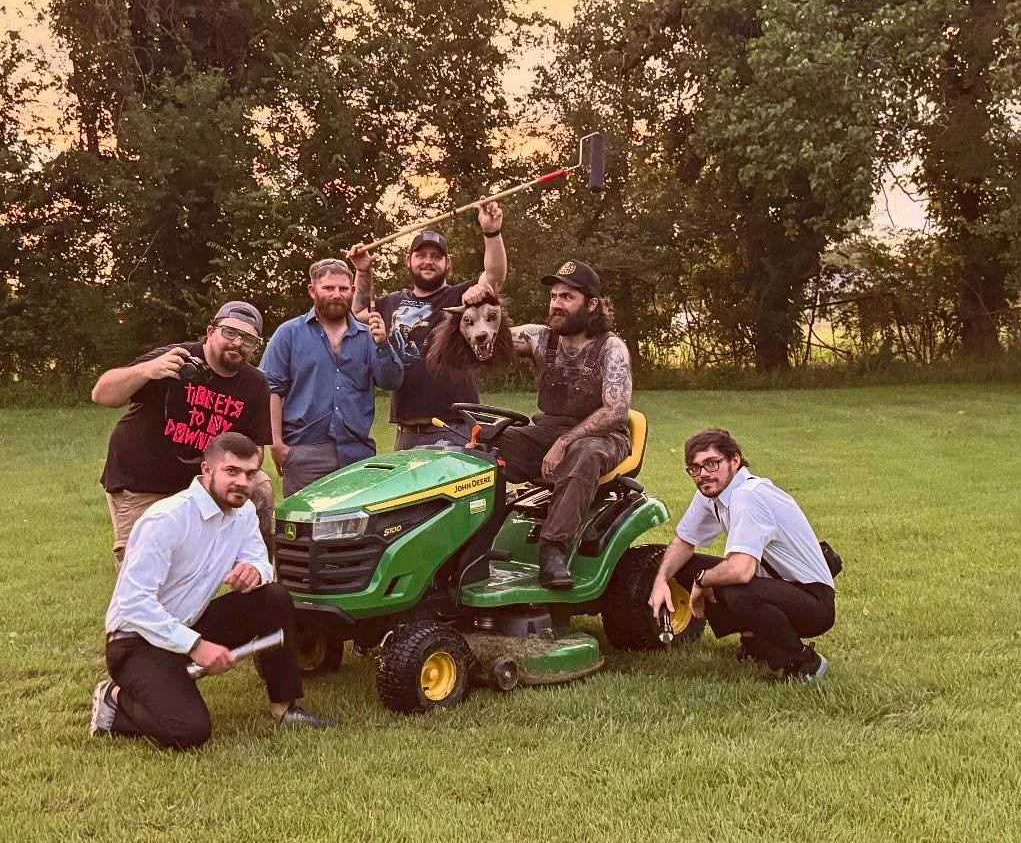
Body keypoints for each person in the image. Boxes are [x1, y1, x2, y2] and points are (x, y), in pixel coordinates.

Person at [89, 432, 334, 748]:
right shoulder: (166, 519)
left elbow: (260, 561)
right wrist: (196, 646)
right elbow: (134, 604)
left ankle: (284, 708)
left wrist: (254, 571)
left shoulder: (243, 512)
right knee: (189, 730)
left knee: (273, 597)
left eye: (250, 474)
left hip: (190, 624)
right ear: (207, 470)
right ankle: (114, 698)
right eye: (232, 471)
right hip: (136, 641)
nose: (242, 482)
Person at [92, 302, 275, 570]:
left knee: (259, 485)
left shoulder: (255, 385)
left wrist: (225, 474)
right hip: (141, 479)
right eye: (229, 332)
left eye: (248, 339)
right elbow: (102, 395)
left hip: (201, 481)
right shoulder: (176, 358)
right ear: (210, 332)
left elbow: (255, 449)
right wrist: (146, 370)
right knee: (143, 568)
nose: (237, 343)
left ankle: (256, 571)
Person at [647, 428, 835, 681]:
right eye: (695, 468)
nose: (703, 474)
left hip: (814, 600)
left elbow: (741, 570)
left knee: (737, 591)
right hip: (777, 586)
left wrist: (702, 582)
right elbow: (683, 541)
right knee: (683, 565)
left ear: (734, 461)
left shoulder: (748, 496)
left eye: (711, 464)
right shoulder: (712, 493)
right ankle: (755, 642)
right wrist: (660, 581)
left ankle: (803, 662)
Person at [503, 261, 632, 590]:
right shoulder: (538, 338)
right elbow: (486, 333)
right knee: (488, 443)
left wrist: (563, 443)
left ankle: (553, 551)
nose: (556, 304)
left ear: (591, 304)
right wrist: (478, 303)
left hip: (604, 436)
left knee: (584, 453)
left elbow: (616, 411)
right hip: (547, 429)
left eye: (567, 297)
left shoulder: (611, 348)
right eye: (554, 296)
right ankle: (474, 539)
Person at [348, 201, 506, 450]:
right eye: (421, 255)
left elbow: (494, 277)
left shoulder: (462, 297)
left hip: (454, 428)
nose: (428, 261)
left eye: (436, 256)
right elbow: (358, 312)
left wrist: (492, 232)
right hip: (407, 431)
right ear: (408, 260)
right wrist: (362, 271)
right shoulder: (391, 303)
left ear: (447, 263)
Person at [260, 258, 403, 497]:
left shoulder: (369, 336)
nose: (337, 294)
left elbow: (391, 382)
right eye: (328, 288)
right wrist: (277, 445)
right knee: (305, 520)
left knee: (358, 520)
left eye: (343, 288)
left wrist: (382, 345)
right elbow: (271, 391)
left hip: (358, 455)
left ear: (353, 291)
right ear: (312, 290)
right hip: (304, 453)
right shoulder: (289, 334)